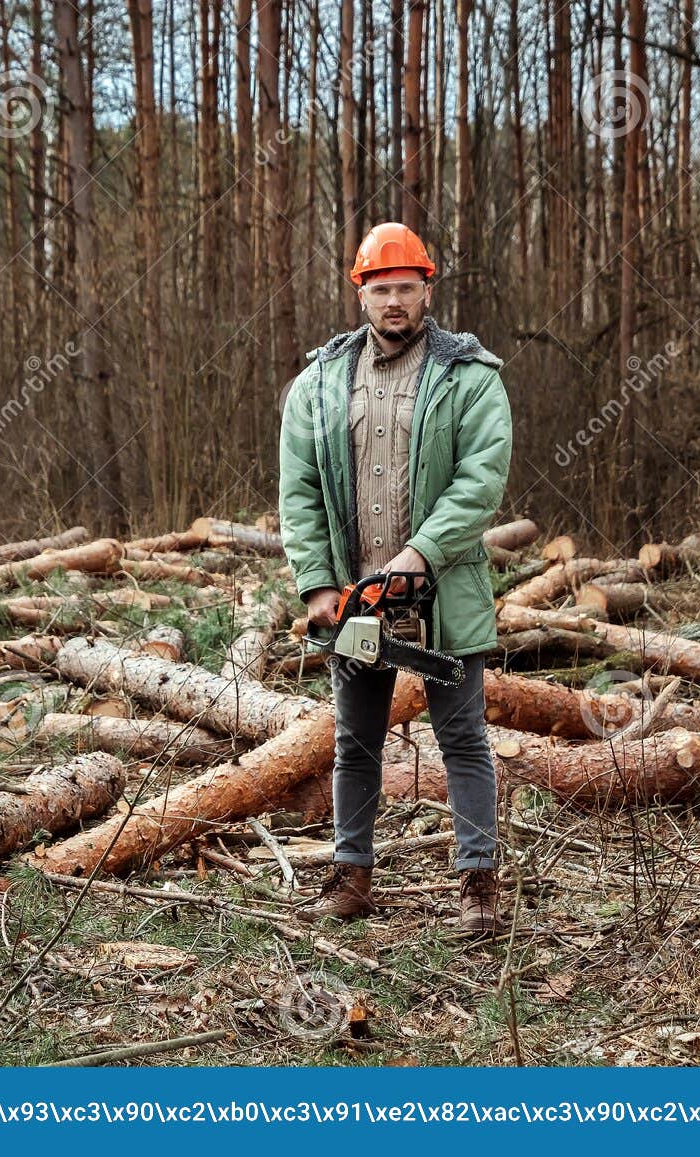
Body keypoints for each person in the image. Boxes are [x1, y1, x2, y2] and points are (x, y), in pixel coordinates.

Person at [277, 221, 514, 931]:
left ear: (427, 289)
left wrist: (422, 552)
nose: (394, 302)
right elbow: (300, 488)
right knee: (355, 742)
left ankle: (478, 884)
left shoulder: (469, 376)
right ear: (361, 294)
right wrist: (319, 582)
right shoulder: (318, 384)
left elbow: (481, 479)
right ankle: (351, 875)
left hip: (445, 593)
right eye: (381, 290)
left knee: (464, 738)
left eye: (406, 288)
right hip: (355, 602)